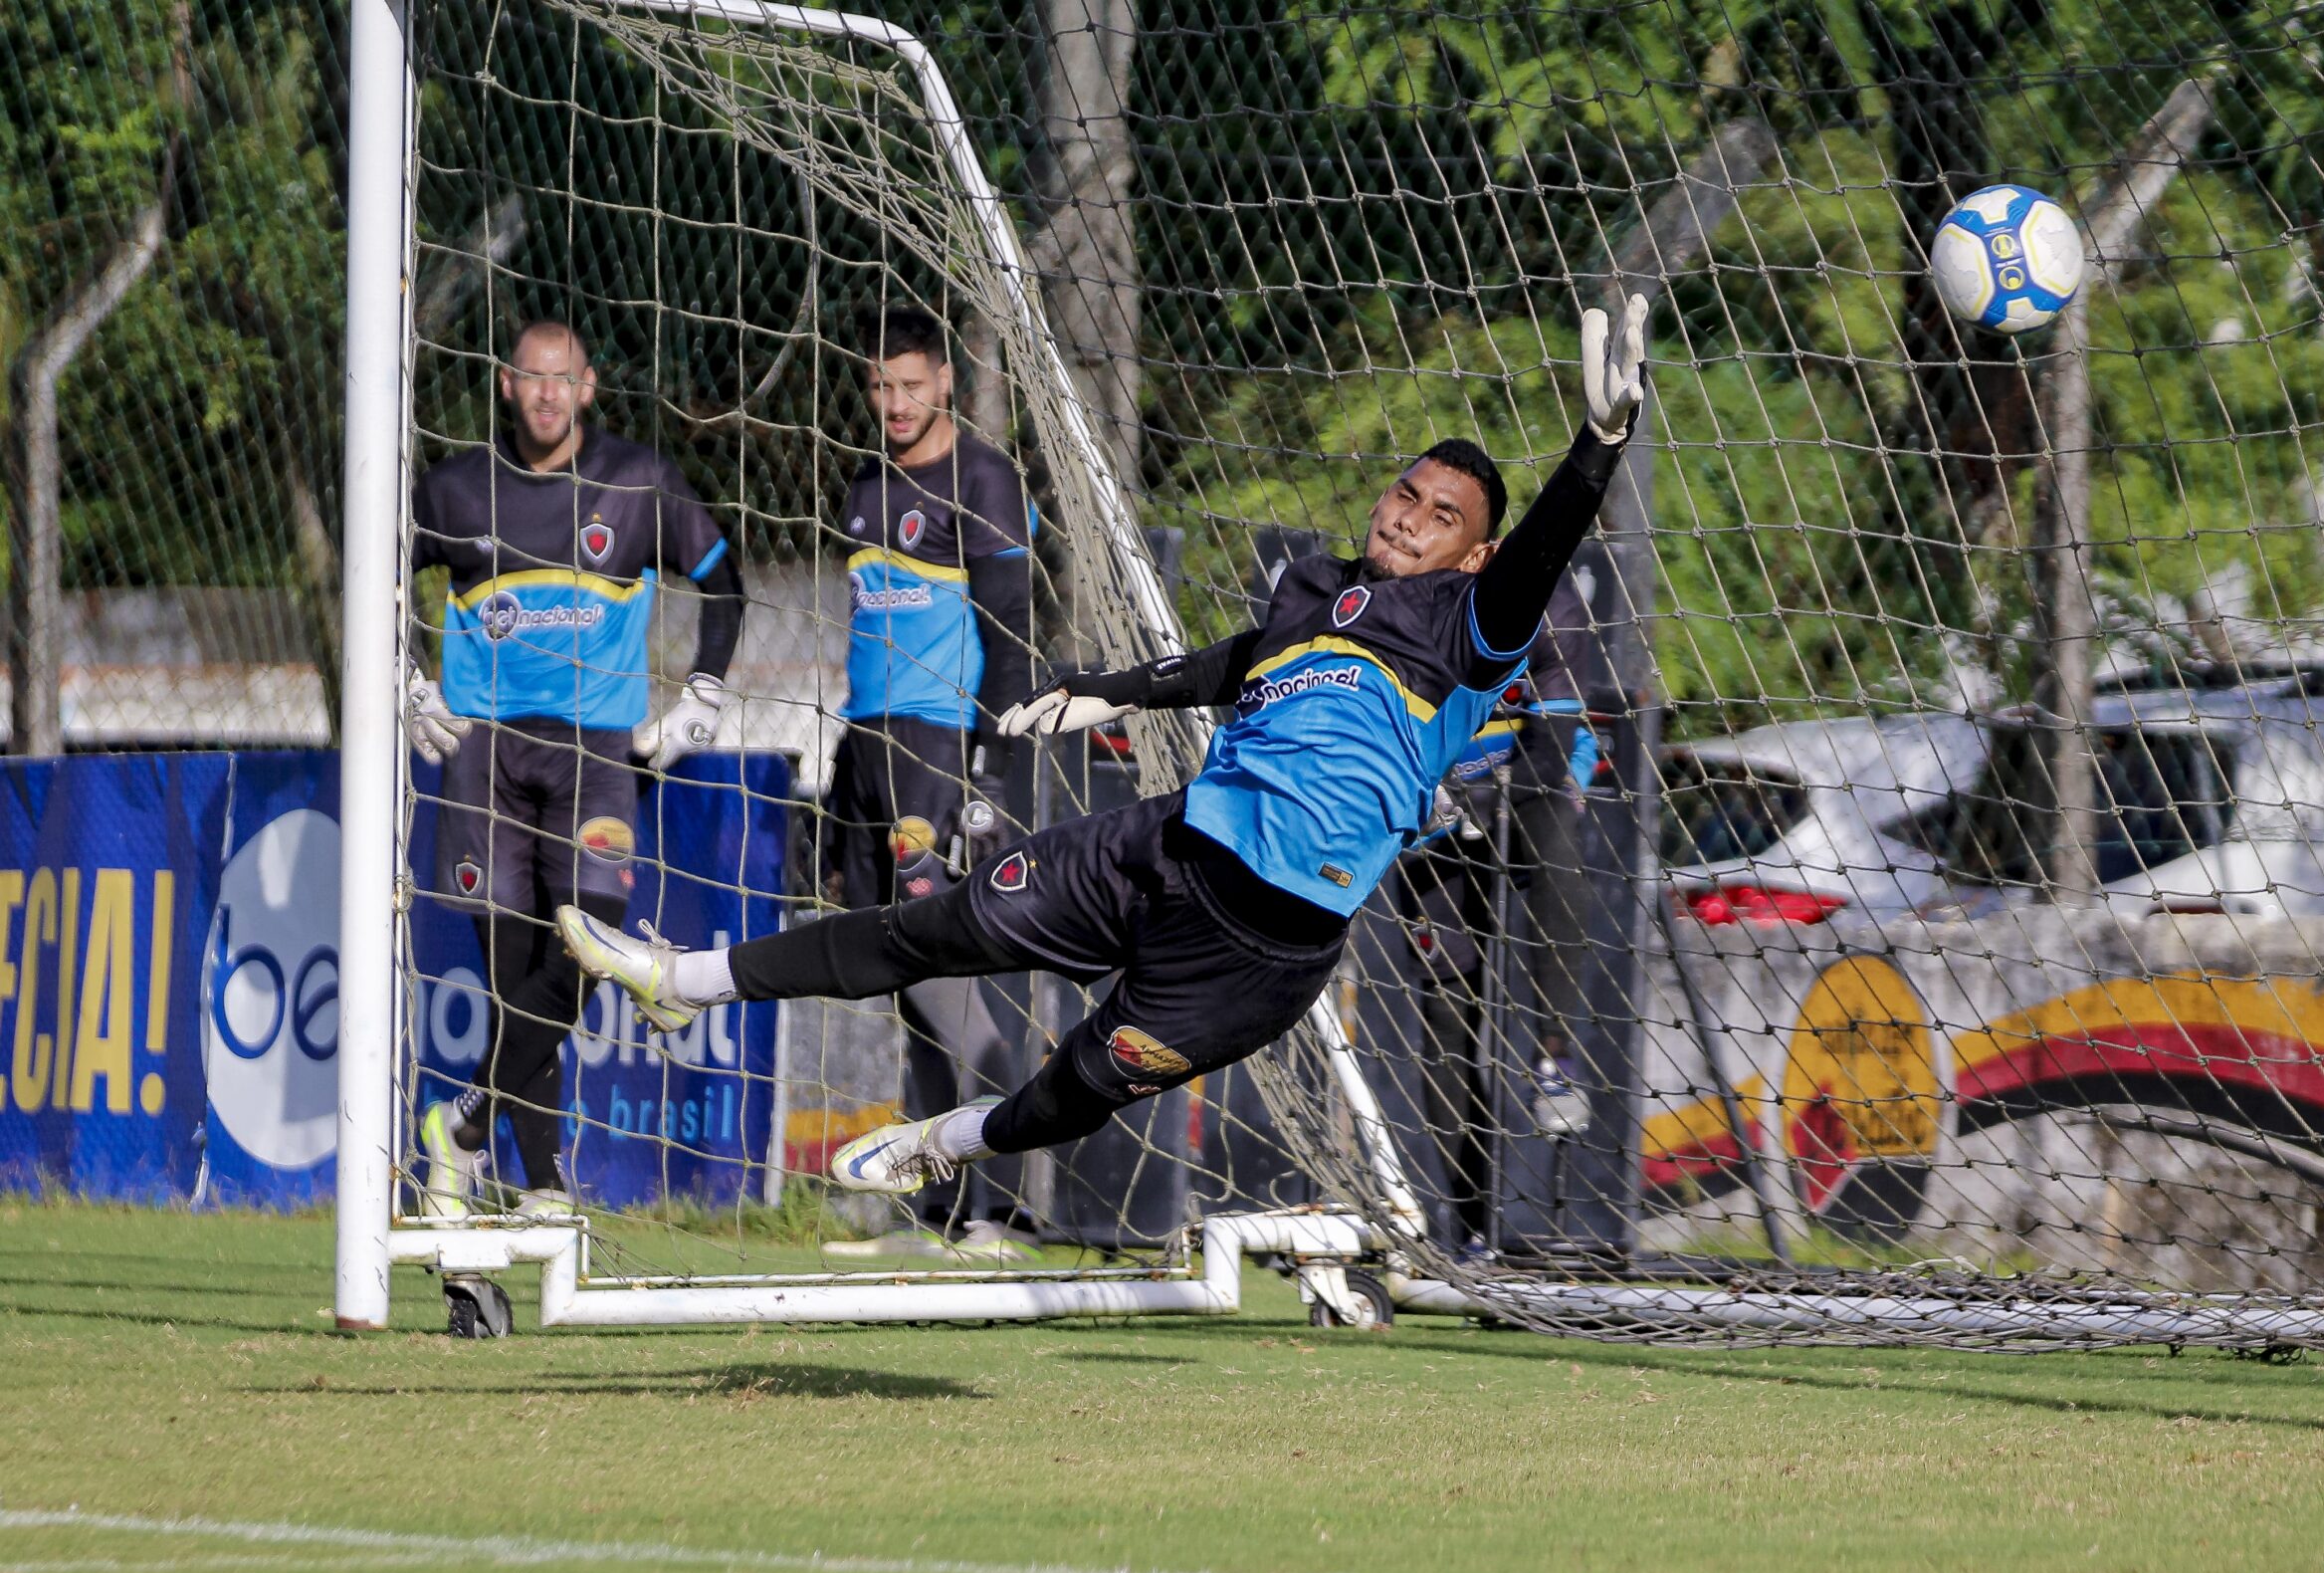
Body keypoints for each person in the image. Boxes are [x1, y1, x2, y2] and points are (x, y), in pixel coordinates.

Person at [554, 301, 1647, 1201]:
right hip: (1161, 850)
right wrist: (1101, 692)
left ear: (1475, 550)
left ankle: (949, 1143)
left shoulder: (1471, 632)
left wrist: (1593, 453)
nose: (1410, 515)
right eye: (1406, 491)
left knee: (1071, 1089)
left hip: (1260, 953)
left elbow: (1536, 565)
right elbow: (1239, 659)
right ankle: (681, 978)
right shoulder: (1318, 587)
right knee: (931, 926)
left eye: (1441, 513)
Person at [404, 321, 745, 1217]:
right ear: (506, 386)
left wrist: (702, 691)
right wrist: (406, 679)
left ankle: (464, 1127)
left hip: (597, 755)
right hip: (483, 755)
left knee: (586, 949)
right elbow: (381, 576)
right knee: (515, 978)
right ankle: (543, 1183)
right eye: (530, 378)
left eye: (564, 379)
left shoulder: (640, 482)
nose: (547, 394)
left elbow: (724, 578)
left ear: (589, 387)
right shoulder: (451, 490)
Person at [821, 305, 1035, 1249]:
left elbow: (1014, 635)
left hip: (940, 748)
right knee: (907, 979)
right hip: (868, 747)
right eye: (879, 385)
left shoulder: (984, 479)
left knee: (949, 975)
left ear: (946, 381)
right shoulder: (863, 485)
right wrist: (836, 797)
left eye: (912, 384)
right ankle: (937, 1203)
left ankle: (1000, 1205)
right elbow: (865, 645)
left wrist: (991, 769)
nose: (895, 402)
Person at [1389, 563, 1602, 1258]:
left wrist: (1485, 804)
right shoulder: (1404, 611)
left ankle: (1555, 1056)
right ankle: (1468, 1221)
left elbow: (1553, 744)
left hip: (1533, 781)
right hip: (1431, 809)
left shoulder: (1552, 600)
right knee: (1448, 1009)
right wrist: (1438, 801)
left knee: (1557, 854)